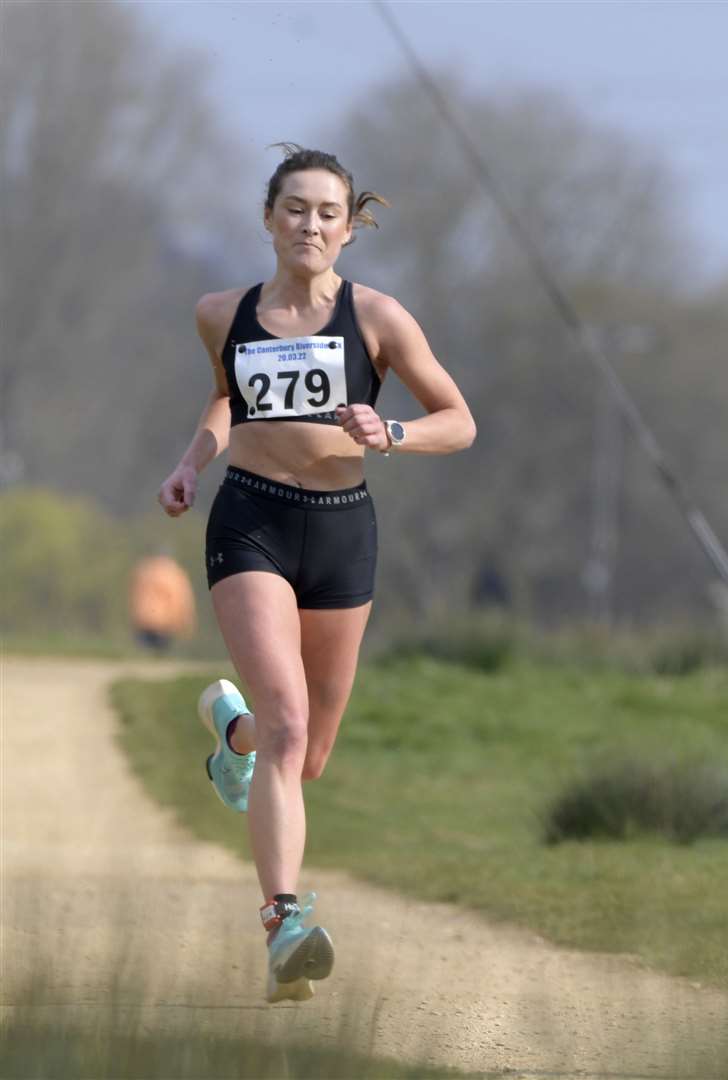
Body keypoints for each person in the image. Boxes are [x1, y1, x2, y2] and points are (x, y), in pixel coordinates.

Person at [157, 144, 476, 1004]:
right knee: (291, 727)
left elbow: (459, 420)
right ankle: (283, 923)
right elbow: (229, 398)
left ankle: (234, 737)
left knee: (305, 755)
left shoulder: (378, 319)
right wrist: (193, 464)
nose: (309, 224)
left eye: (327, 212)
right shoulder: (221, 312)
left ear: (348, 228)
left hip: (342, 531)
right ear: (268, 218)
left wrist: (393, 432)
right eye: (294, 208)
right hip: (251, 518)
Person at [129, 551, 195, 653]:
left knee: (144, 654)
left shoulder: (145, 570)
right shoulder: (174, 574)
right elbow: (180, 600)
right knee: (159, 653)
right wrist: (183, 620)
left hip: (144, 619)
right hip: (164, 621)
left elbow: (135, 593)